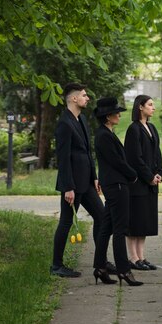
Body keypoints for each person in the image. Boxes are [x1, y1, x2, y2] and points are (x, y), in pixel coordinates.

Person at [50, 82, 105, 277]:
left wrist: (95, 177)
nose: (87, 98)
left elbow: (87, 152)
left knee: (103, 217)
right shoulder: (64, 123)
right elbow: (63, 159)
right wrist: (68, 187)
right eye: (84, 95)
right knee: (65, 222)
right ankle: (56, 266)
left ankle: (101, 262)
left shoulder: (81, 119)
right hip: (72, 184)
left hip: (87, 182)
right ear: (74, 98)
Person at [92, 97, 143, 286]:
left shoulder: (105, 133)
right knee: (120, 229)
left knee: (106, 227)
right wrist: (133, 175)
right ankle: (124, 270)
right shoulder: (104, 136)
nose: (119, 115)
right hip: (117, 185)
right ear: (107, 116)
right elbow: (116, 161)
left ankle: (100, 267)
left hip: (112, 184)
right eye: (116, 112)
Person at [124, 95, 162, 271]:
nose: (153, 108)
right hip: (138, 183)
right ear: (140, 107)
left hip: (151, 183)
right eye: (150, 105)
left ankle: (142, 256)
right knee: (135, 222)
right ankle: (133, 258)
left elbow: (157, 154)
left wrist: (159, 173)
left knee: (145, 221)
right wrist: (149, 177)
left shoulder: (152, 128)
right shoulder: (133, 129)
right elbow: (135, 159)